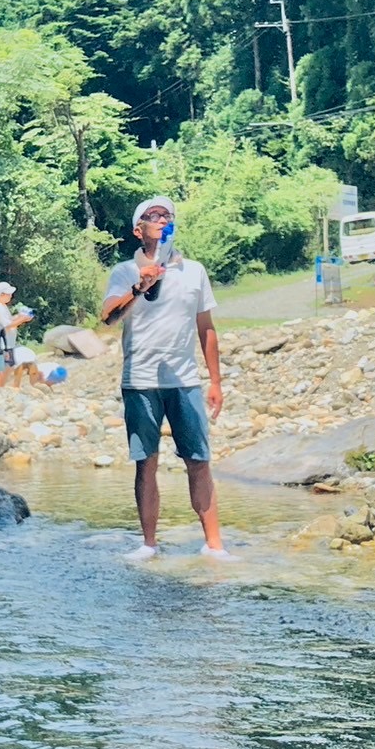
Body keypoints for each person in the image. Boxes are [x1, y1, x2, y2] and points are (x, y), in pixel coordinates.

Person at [100, 196, 232, 561]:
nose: (160, 219)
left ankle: (215, 545)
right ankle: (149, 543)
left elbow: (206, 327)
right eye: (151, 215)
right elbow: (108, 317)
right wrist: (139, 287)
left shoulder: (194, 271)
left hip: (185, 380)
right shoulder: (125, 271)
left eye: (166, 215)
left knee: (198, 459)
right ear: (137, 229)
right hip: (139, 379)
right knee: (147, 461)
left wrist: (216, 382)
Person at [0, 282, 32, 389]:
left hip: (8, 343)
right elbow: (7, 326)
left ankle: (3, 389)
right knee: (5, 367)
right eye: (8, 294)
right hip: (3, 345)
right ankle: (1, 389)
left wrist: (20, 317)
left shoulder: (2, 305)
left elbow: (9, 320)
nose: (10, 296)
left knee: (8, 367)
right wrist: (22, 319)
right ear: (1, 294)